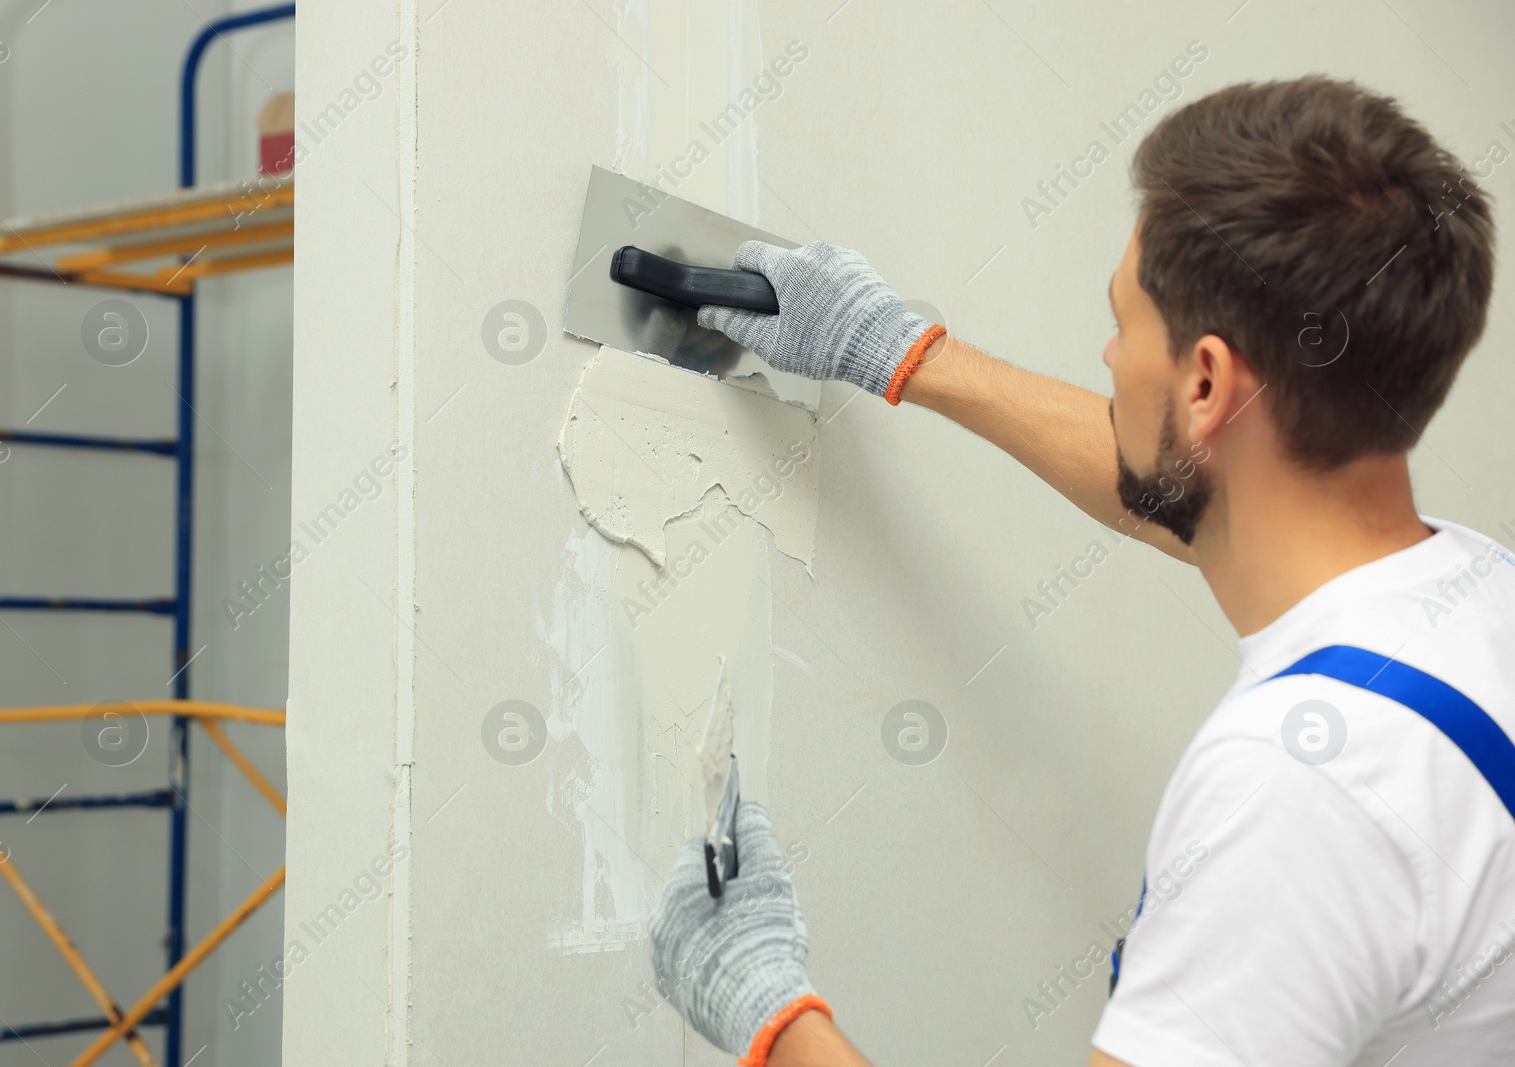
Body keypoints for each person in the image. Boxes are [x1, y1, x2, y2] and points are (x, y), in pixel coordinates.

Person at [647, 76, 1515, 1067]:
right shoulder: (1471, 592)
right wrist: (899, 353)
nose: (1107, 354)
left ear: (1202, 383)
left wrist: (773, 1017)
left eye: (1122, 321)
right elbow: (1190, 501)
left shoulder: (1294, 792)